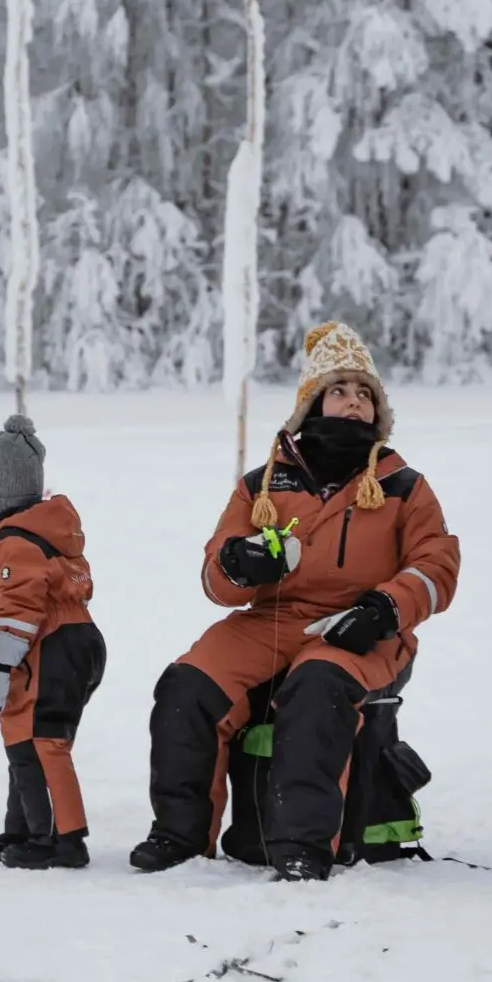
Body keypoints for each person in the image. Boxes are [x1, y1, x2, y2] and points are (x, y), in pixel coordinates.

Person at [131, 324, 461, 882]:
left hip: (360, 626)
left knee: (317, 691)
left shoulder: (405, 485)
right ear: (311, 404)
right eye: (340, 390)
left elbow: (437, 567)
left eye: (365, 394)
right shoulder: (260, 485)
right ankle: (180, 837)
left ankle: (302, 845)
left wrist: (385, 607)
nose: (354, 401)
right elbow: (216, 580)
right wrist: (239, 563)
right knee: (187, 685)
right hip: (272, 620)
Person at [0, 416, 106, 870]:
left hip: (54, 649)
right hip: (56, 647)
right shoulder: (28, 535)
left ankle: (64, 840)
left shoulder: (17, 544)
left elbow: (18, 618)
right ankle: (24, 826)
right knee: (21, 740)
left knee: (44, 742)